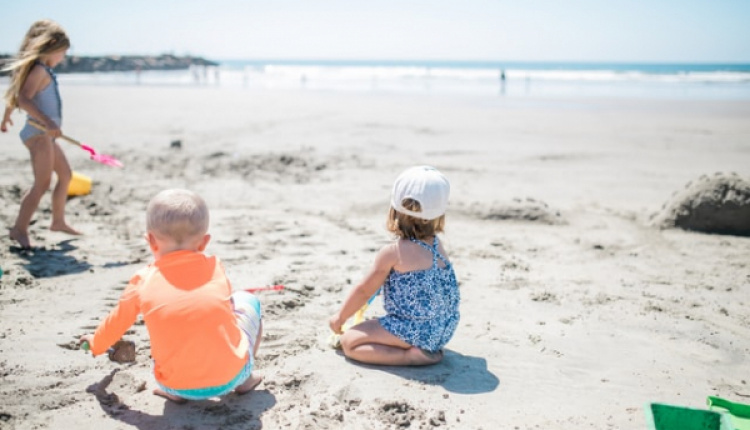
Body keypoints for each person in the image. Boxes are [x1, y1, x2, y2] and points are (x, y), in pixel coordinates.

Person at [79, 189, 264, 403]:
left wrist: (95, 343)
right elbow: (227, 312)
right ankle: (245, 380)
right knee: (248, 301)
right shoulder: (216, 267)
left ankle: (175, 393)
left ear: (150, 241)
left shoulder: (142, 280)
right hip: (230, 378)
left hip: (173, 383)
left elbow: (116, 323)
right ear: (204, 242)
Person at [329, 166, 460, 366]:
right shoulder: (436, 244)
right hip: (443, 329)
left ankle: (410, 356)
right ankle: (419, 348)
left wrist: (340, 317)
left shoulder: (393, 253)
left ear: (394, 210)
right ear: (439, 215)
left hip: (414, 329)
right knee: (373, 327)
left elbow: (365, 290)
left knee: (350, 342)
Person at [2, 20, 80, 249]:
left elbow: (18, 93)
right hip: (38, 133)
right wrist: (46, 121)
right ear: (52, 48)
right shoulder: (38, 70)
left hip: (46, 135)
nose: (63, 59)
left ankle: (58, 221)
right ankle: (19, 229)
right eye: (63, 53)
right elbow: (23, 98)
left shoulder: (42, 70)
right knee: (42, 184)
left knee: (65, 175)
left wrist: (6, 116)